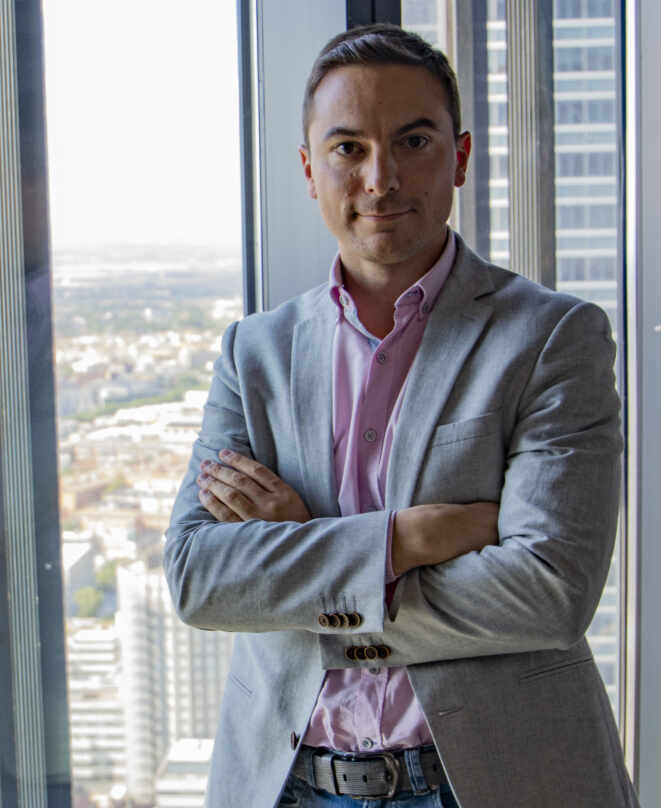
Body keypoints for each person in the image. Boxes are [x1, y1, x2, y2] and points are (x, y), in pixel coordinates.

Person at [165, 24, 635, 808]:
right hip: (287, 783)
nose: (381, 177)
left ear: (459, 156)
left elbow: (549, 593)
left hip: (494, 781)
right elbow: (200, 578)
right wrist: (409, 538)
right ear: (310, 168)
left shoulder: (554, 337)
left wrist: (301, 558)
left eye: (413, 140)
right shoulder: (255, 354)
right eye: (348, 148)